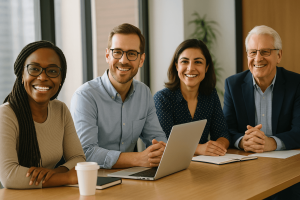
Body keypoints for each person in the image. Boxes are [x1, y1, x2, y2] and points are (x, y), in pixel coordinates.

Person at [70, 23, 167, 169]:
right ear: (108, 55)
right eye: (117, 52)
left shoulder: (144, 93)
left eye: (132, 54)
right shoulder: (85, 96)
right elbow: (85, 152)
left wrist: (160, 151)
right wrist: (137, 159)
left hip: (129, 177)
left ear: (141, 59)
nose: (123, 60)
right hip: (94, 180)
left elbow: (158, 140)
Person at [223, 25, 300, 199]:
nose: (258, 58)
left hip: (288, 170)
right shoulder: (233, 85)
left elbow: (299, 130)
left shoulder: (296, 84)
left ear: (278, 55)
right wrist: (243, 142)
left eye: (265, 52)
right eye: (252, 52)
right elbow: (225, 129)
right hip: (246, 170)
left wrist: (271, 143)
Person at [0, 41, 86, 189]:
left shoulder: (61, 110)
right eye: (34, 69)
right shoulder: (5, 114)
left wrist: (53, 172)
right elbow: (9, 176)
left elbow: (78, 158)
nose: (42, 77)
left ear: (60, 80)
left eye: (52, 71)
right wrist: (66, 178)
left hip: (49, 194)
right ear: (22, 74)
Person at [154, 39, 230, 156]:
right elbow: (164, 142)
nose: (190, 68)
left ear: (206, 67)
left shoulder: (210, 95)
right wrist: (198, 149)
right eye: (184, 61)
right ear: (176, 66)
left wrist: (218, 146)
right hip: (171, 166)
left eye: (198, 62)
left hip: (203, 165)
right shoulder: (162, 98)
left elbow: (222, 133)